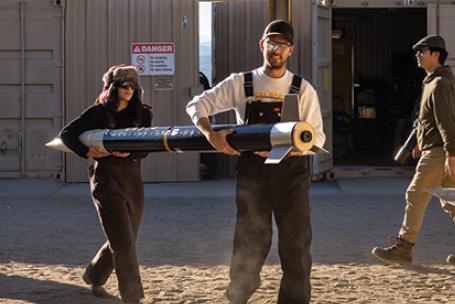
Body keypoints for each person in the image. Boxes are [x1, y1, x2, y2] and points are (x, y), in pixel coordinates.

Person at [186, 20, 324, 303]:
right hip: (253, 174)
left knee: (296, 244)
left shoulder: (302, 89)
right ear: (262, 46)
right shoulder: (242, 83)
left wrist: (291, 148)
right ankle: (238, 296)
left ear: (291, 51)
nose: (276, 50)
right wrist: (211, 134)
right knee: (249, 240)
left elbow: (318, 138)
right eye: (271, 44)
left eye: (282, 45)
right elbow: (196, 104)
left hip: (292, 175)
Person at [372, 35, 455, 266]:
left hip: (440, 153)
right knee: (454, 202)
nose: (417, 55)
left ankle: (403, 248)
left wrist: (451, 153)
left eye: (422, 51)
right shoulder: (432, 82)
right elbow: (431, 121)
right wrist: (420, 142)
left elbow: (447, 122)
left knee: (415, 194)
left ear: (436, 54)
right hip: (437, 150)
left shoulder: (439, 84)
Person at [60, 65, 152, 304]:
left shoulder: (142, 114)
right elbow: (67, 134)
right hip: (106, 182)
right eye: (124, 85)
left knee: (126, 238)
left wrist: (131, 154)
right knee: (123, 242)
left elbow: (148, 147)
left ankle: (94, 275)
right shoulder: (98, 113)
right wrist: (89, 151)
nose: (129, 90)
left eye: (133, 86)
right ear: (113, 87)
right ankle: (132, 298)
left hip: (133, 181)